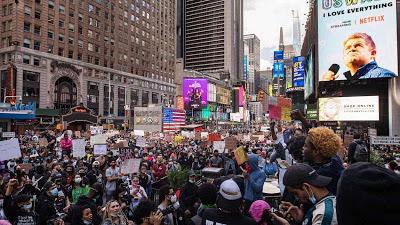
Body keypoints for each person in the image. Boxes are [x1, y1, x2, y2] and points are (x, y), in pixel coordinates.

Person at [271, 163, 338, 225]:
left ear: (306, 187)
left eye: (295, 193)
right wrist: (301, 221)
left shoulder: (324, 214)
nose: (297, 198)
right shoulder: (321, 204)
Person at [323, 32, 396, 81]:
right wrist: (325, 85)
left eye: (358, 45)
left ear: (373, 53)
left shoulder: (384, 75)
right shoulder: (346, 81)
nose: (352, 49)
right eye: (347, 48)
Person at [303, 127, 344, 195]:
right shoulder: (335, 162)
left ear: (316, 151)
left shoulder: (317, 177)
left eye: (306, 146)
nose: (303, 148)